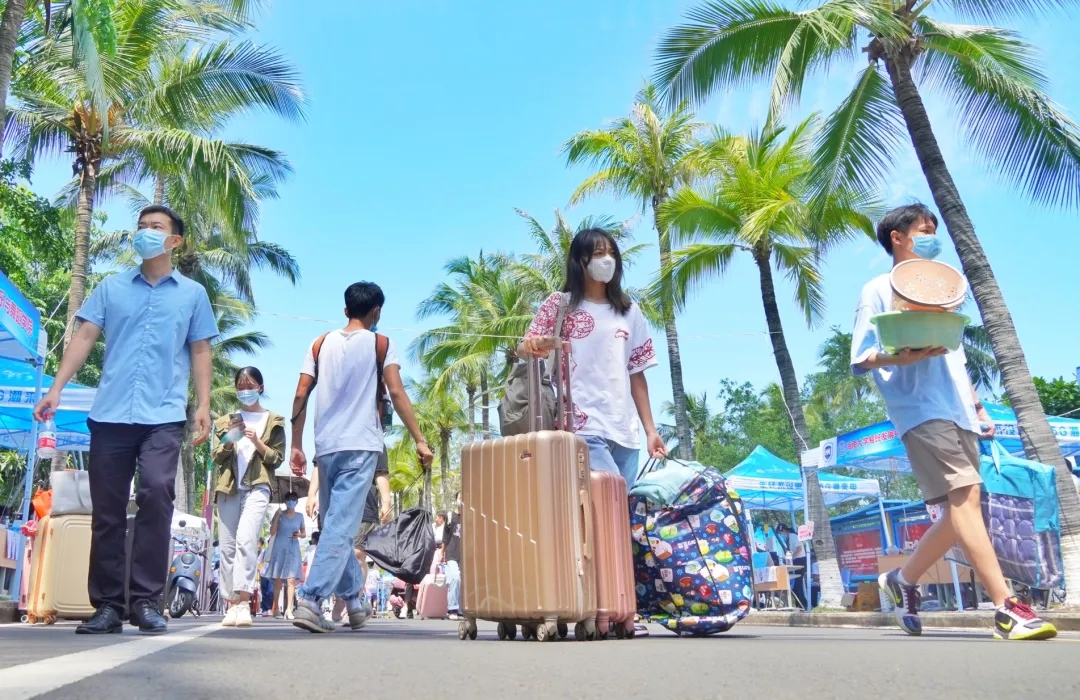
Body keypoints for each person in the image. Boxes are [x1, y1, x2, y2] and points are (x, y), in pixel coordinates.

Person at [853, 203, 1056, 641]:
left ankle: (903, 580)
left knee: (963, 508)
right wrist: (900, 357)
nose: (931, 236)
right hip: (919, 410)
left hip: (959, 410)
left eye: (932, 231)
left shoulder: (944, 293)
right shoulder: (877, 288)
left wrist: (979, 407)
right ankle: (1006, 607)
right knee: (965, 498)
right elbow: (862, 357)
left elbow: (956, 360)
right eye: (924, 229)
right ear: (897, 237)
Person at [34, 205, 217, 636]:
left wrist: (204, 405)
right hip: (111, 413)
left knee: (157, 495)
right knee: (109, 511)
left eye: (156, 228)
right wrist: (56, 387)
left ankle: (148, 601)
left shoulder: (192, 295)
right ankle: (109, 605)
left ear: (175, 240)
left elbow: (201, 350)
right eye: (141, 227)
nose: (145, 233)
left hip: (164, 415)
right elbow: (84, 336)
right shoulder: (111, 288)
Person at [289, 281, 433, 633]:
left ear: (344, 310)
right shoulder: (381, 344)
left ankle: (353, 602)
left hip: (326, 446)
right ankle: (310, 600)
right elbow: (396, 392)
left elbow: (301, 393)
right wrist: (419, 439)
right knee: (340, 528)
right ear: (377, 313)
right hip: (361, 445)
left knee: (335, 526)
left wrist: (296, 443)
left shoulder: (319, 343)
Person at [519, 228, 666, 490]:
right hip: (580, 425)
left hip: (625, 431)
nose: (607, 259)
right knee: (609, 498)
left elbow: (636, 372)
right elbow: (523, 348)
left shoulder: (630, 311)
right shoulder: (560, 304)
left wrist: (650, 430)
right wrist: (535, 344)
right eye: (599, 253)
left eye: (611, 253)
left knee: (619, 516)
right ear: (580, 260)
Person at [211, 366, 286, 628]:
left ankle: (243, 602)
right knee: (228, 547)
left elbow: (276, 459)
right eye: (240, 387)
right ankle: (230, 604)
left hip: (258, 486)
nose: (245, 391)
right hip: (228, 488)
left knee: (246, 540)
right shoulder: (225, 420)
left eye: (250, 385)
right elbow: (217, 456)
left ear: (260, 388)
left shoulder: (274, 421)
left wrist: (256, 441)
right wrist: (230, 440)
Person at [308, 446, 392, 623]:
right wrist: (311, 494)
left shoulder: (373, 436)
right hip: (333, 503)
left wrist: (386, 501)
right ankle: (348, 599)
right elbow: (318, 466)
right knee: (338, 549)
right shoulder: (330, 430)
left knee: (357, 552)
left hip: (365, 504)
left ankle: (355, 600)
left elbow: (381, 472)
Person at [267, 492, 305, 619]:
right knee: (278, 579)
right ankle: (276, 608)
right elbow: (272, 532)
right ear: (285, 501)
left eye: (294, 499)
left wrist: (298, 535)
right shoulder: (280, 514)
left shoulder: (300, 516)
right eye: (289, 499)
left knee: (291, 579)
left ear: (297, 502)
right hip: (280, 547)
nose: (291, 502)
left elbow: (304, 533)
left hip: (293, 547)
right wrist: (277, 517)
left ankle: (289, 609)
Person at [442, 493, 463, 620]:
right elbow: (445, 535)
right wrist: (442, 552)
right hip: (451, 553)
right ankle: (452, 608)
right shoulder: (451, 516)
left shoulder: (470, 515)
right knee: (455, 578)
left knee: (458, 581)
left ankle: (460, 608)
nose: (461, 500)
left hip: (464, 555)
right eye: (460, 498)